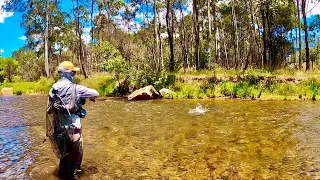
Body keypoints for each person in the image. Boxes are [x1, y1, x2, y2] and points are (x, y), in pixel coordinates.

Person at [46, 61, 99, 179]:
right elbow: (96, 93)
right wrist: (83, 97)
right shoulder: (77, 88)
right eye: (73, 72)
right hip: (73, 129)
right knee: (75, 163)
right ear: (68, 73)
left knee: (64, 159)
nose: (74, 75)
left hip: (58, 129)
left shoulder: (53, 89)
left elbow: (49, 110)